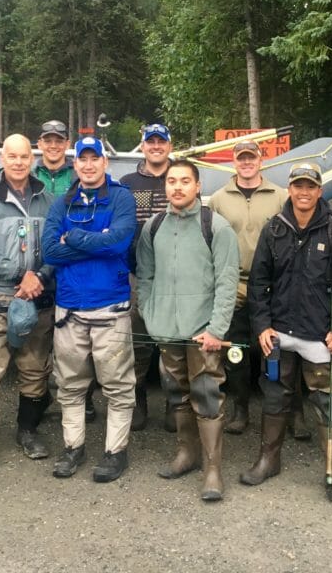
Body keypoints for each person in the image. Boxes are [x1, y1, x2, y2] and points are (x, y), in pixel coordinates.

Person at [241, 163, 332, 503]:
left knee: (328, 402)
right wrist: (262, 325)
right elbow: (259, 283)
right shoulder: (274, 230)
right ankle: (269, 459)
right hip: (279, 333)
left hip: (320, 336)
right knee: (274, 396)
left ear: (320, 190)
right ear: (290, 190)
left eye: (310, 186)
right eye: (298, 186)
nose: (304, 192)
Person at [136, 160, 240, 501]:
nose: (177, 187)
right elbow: (145, 276)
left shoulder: (217, 227)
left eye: (184, 181)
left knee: (207, 395)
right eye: (171, 181)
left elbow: (228, 282)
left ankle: (212, 468)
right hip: (167, 328)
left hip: (202, 331)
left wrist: (216, 329)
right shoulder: (154, 226)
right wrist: (151, 316)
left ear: (197, 186)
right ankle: (187, 453)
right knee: (176, 392)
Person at [42, 136, 137, 482]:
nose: (88, 165)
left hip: (110, 307)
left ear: (104, 162)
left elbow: (121, 243)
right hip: (68, 308)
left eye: (94, 158)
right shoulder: (61, 203)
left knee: (117, 384)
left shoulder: (122, 197)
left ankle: (115, 451)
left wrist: (76, 239)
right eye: (81, 159)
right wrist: (98, 243)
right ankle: (73, 447)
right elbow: (50, 252)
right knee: (69, 384)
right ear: (75, 164)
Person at [0, 134, 56, 470]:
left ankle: (28, 431)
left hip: (38, 294)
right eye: (12, 156)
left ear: (32, 159)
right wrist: (21, 274)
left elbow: (55, 248)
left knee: (35, 366)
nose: (18, 162)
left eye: (24, 156)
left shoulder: (48, 199)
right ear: (2, 159)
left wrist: (40, 277)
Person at [207, 139, 287, 435]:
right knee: (236, 351)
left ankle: (286, 411)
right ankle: (240, 408)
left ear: (260, 160)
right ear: (234, 162)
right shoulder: (217, 199)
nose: (247, 162)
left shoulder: (281, 196)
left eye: (251, 157)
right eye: (241, 158)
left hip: (271, 287)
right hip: (234, 285)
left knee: (276, 351)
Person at [120, 122, 173, 431]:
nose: (155, 146)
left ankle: (174, 402)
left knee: (171, 343)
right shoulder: (127, 182)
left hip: (173, 277)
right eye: (150, 141)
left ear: (169, 145)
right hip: (137, 274)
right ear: (142, 145)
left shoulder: (180, 178)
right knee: (137, 342)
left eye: (161, 141)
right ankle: (138, 401)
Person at [33, 119, 76, 196]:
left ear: (67, 144)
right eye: (48, 141)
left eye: (59, 141)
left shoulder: (79, 177)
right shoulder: (30, 176)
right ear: (39, 144)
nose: (53, 146)